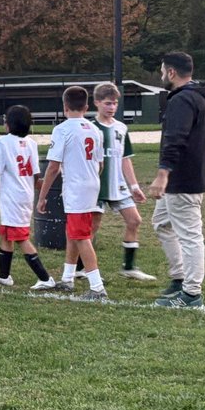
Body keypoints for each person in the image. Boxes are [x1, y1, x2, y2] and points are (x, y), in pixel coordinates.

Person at [148, 52, 205, 308]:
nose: (161, 76)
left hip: (182, 179)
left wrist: (162, 174)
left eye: (162, 71)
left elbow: (175, 139)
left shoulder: (182, 99)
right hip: (190, 175)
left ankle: (191, 293)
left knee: (190, 235)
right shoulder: (203, 96)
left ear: (171, 72)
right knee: (161, 222)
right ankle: (179, 278)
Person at [36, 86, 108, 301]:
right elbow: (100, 164)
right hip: (91, 184)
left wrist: (42, 196)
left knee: (81, 236)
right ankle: (67, 278)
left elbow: (53, 167)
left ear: (65, 106)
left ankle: (97, 287)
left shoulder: (63, 129)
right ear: (86, 106)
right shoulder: (95, 129)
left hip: (76, 188)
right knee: (73, 232)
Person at [0, 105, 55, 289]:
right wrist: (42, 192)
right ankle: (4, 276)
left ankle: (45, 278)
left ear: (8, 124)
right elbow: (36, 175)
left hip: (12, 196)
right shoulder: (31, 143)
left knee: (20, 237)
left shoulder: (2, 143)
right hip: (25, 194)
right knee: (7, 234)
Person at [90, 83, 154, 281]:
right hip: (97, 187)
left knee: (134, 220)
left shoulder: (121, 128)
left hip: (118, 185)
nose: (112, 107)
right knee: (92, 226)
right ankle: (82, 268)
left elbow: (125, 159)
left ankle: (129, 267)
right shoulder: (90, 128)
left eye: (115, 103)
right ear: (97, 103)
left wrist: (134, 186)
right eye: (108, 103)